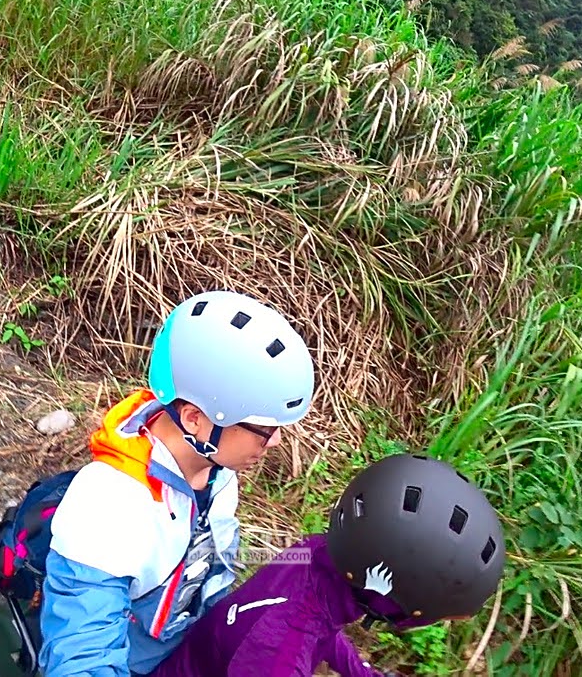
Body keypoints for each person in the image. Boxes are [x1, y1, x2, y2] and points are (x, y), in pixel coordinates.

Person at [38, 290, 317, 676]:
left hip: (181, 648)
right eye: (263, 429)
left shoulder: (217, 472)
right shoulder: (109, 503)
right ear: (194, 420)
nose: (275, 442)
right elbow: (84, 655)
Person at [147, 453, 507, 677]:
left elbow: (320, 625)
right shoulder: (279, 658)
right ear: (399, 602)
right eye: (437, 616)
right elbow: (297, 635)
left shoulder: (316, 560)